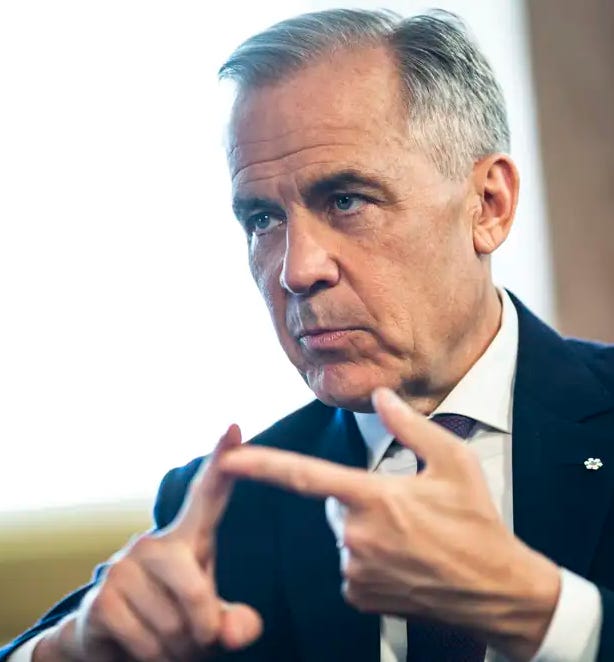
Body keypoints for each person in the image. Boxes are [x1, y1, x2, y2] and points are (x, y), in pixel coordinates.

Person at [2, 8, 613, 662]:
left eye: (347, 200)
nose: (296, 271)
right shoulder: (225, 508)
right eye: (263, 220)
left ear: (488, 206)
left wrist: (541, 611)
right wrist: (71, 650)